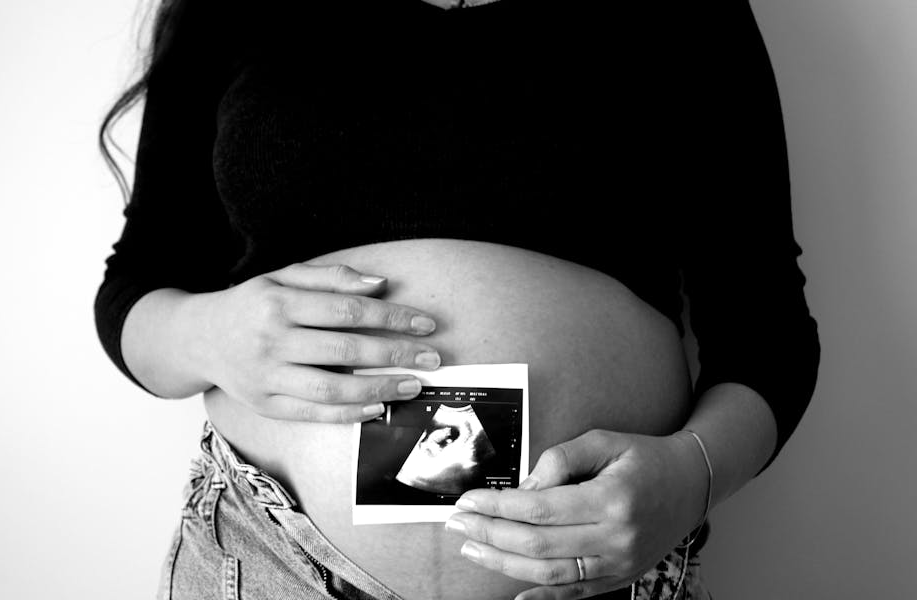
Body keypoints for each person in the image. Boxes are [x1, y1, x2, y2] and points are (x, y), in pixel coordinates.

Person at [95, 1, 820, 599]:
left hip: (594, 571)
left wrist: (691, 477)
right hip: (270, 556)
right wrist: (209, 333)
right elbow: (136, 285)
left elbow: (768, 332)